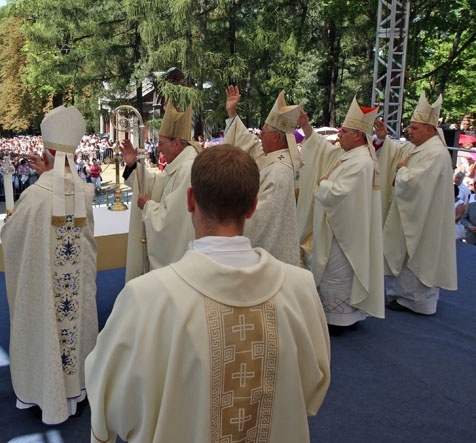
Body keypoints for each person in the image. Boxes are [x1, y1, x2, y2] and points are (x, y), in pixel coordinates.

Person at [85, 145, 331, 443]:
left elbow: (112, 399)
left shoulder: (146, 298)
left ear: (190, 200)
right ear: (253, 207)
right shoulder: (301, 289)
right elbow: (312, 386)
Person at [0, 105, 98, 425]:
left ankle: (48, 391)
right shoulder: (85, 194)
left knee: (48, 329)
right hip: (76, 293)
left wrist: (44, 175)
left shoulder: (35, 196)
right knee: (75, 328)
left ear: (47, 153)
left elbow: (11, 237)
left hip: (47, 291)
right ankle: (75, 391)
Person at [296, 97, 385, 333]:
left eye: (344, 132)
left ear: (357, 135)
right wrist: (306, 126)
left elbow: (339, 194)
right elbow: (323, 150)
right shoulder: (352, 155)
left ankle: (338, 319)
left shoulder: (361, 162)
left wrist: (323, 185)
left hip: (344, 233)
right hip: (342, 228)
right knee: (338, 272)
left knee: (337, 273)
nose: (339, 136)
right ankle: (347, 315)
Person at [375, 93, 457, 315]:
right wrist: (383, 138)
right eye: (410, 127)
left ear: (430, 129)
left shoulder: (436, 153)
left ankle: (416, 301)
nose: (409, 131)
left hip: (424, 218)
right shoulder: (421, 147)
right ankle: (403, 296)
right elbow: (398, 153)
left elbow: (416, 183)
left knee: (418, 254)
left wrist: (402, 170)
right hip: (414, 213)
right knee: (407, 252)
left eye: (414, 128)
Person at [223, 85, 302, 265]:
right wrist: (232, 112)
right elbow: (248, 142)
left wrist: (229, 218)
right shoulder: (274, 156)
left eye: (263, 132)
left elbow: (259, 219)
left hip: (271, 255)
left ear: (275, 137)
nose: (260, 136)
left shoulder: (280, 172)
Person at [120, 101, 197, 281]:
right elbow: (158, 183)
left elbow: (173, 218)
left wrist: (148, 206)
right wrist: (133, 164)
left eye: (162, 143)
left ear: (177, 143)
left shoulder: (189, 169)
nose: (158, 149)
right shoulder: (180, 165)